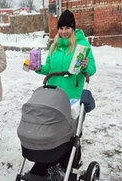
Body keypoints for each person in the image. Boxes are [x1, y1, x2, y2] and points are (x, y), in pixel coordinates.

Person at [26, 9, 96, 180]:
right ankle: (49, 159)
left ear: (73, 28)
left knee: (72, 132)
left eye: (67, 28)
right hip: (52, 96)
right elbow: (49, 69)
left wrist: (86, 66)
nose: (64, 31)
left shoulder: (83, 46)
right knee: (51, 130)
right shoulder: (54, 46)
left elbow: (92, 69)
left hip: (72, 97)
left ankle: (71, 162)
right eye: (61, 28)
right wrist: (37, 67)